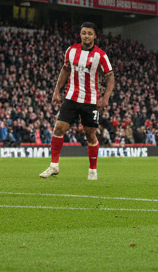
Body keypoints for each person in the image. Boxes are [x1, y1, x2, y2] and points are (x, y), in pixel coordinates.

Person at [40, 22, 114, 180]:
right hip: (71, 97)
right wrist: (56, 91)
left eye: (89, 33)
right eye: (83, 33)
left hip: (90, 100)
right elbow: (65, 70)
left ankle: (92, 170)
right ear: (80, 35)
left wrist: (106, 96)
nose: (86, 36)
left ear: (95, 36)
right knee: (59, 128)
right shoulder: (71, 51)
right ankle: (54, 165)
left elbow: (110, 76)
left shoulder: (100, 55)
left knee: (90, 135)